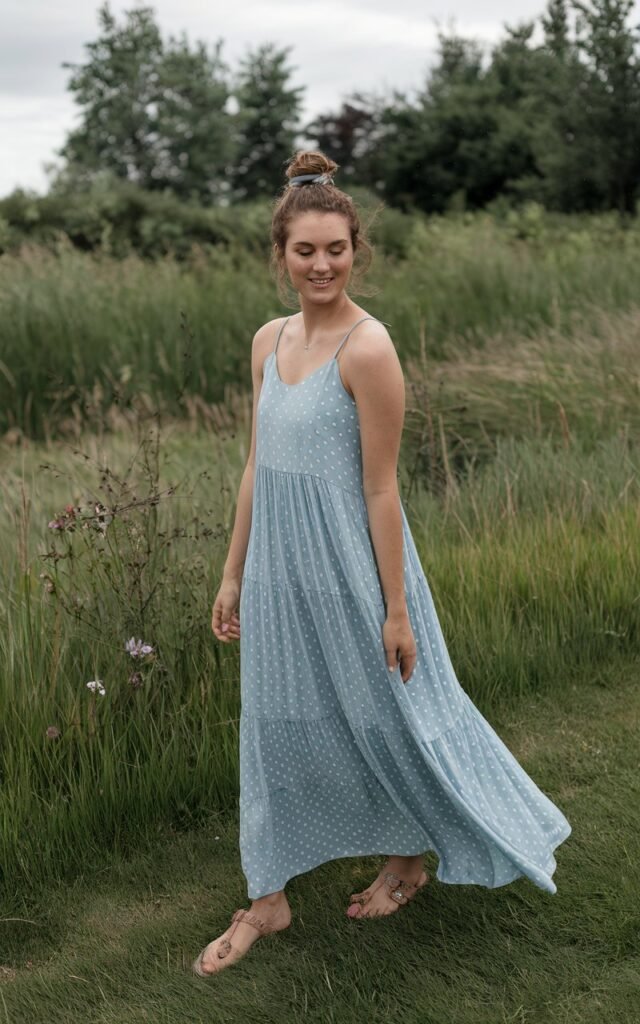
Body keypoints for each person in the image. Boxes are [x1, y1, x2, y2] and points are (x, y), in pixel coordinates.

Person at [193, 150, 572, 977]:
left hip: (354, 575)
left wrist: (395, 610)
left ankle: (408, 860)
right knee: (277, 727)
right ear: (281, 256)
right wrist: (232, 574)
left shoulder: (368, 349)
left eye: (337, 248)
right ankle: (268, 896)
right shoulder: (267, 342)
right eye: (306, 251)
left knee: (390, 720)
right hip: (277, 577)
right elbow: (256, 464)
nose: (322, 264)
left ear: (357, 248)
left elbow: (380, 492)